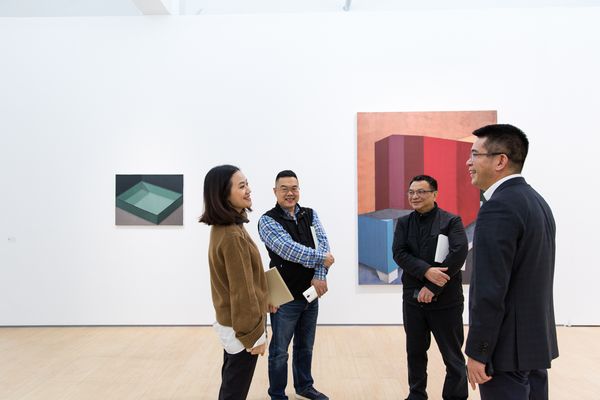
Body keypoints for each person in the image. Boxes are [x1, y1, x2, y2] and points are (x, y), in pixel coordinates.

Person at [465, 124, 558, 400]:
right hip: (534, 347)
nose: (468, 162)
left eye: (475, 154)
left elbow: (489, 289)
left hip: (505, 352)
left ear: (500, 161)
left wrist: (478, 351)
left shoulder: (498, 207)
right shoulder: (537, 202)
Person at [258, 170, 334, 400]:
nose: (290, 193)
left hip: (311, 293)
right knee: (280, 350)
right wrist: (322, 258)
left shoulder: (310, 214)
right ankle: (277, 393)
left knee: (305, 346)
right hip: (283, 296)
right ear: (275, 191)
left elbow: (324, 244)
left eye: (294, 188)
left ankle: (304, 386)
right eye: (284, 189)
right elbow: (289, 251)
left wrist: (320, 275)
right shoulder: (267, 220)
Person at [392, 175, 469, 400]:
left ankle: (455, 397)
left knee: (452, 355)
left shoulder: (451, 221)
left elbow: (459, 253)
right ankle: (416, 395)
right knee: (415, 352)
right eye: (411, 192)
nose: (415, 196)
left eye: (421, 192)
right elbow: (399, 253)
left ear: (434, 194)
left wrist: (433, 286)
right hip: (413, 299)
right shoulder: (404, 223)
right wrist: (426, 271)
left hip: (446, 300)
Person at [199, 164, 270, 400]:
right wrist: (254, 336)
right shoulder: (231, 234)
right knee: (234, 392)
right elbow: (242, 291)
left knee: (231, 386)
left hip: (232, 324)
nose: (248, 189)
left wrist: (266, 298)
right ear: (223, 195)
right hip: (242, 329)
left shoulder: (227, 228)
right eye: (241, 186)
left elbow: (246, 280)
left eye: (247, 184)